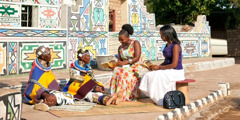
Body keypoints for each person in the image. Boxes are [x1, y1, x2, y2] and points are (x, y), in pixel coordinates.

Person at [139, 25, 185, 106]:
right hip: (169, 70)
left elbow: (174, 64)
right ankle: (156, 97)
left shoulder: (176, 46)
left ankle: (161, 99)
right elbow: (166, 61)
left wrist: (159, 68)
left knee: (158, 76)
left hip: (176, 71)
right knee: (148, 75)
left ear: (168, 35)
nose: (161, 37)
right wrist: (155, 67)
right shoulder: (167, 45)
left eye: (162, 35)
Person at [24, 46, 74, 110]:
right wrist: (46, 95)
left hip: (49, 93)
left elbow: (53, 85)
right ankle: (43, 103)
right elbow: (35, 88)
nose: (50, 55)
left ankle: (44, 102)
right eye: (48, 53)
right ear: (42, 56)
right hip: (35, 96)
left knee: (68, 96)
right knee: (52, 98)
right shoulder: (36, 70)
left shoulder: (47, 69)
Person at [109, 24, 147, 101]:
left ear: (128, 37)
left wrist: (125, 63)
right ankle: (115, 94)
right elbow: (120, 61)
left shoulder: (135, 43)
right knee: (116, 70)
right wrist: (114, 65)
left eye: (122, 40)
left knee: (124, 73)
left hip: (136, 66)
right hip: (126, 66)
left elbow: (137, 58)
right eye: (119, 40)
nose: (121, 42)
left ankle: (124, 96)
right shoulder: (120, 48)